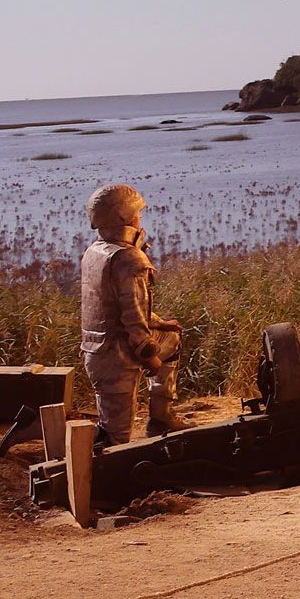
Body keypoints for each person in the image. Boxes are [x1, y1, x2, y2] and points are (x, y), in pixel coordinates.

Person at [79, 184, 191, 442]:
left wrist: (160, 325)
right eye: (137, 213)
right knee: (116, 438)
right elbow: (132, 315)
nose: (140, 217)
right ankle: (37, 430)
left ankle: (162, 418)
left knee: (171, 341)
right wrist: (147, 353)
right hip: (117, 357)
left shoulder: (94, 252)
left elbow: (114, 306)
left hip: (97, 351)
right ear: (126, 217)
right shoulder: (129, 259)